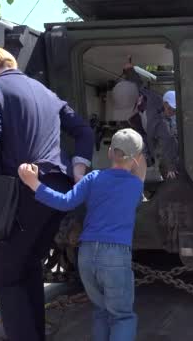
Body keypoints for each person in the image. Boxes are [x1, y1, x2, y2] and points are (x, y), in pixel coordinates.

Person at [0, 45, 94, 341]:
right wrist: (79, 166)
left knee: (3, 277)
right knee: (27, 268)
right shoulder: (47, 93)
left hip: (22, 192)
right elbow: (83, 132)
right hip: (57, 193)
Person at [18, 128, 146, 341]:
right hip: (115, 256)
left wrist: (34, 183)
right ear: (137, 159)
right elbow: (139, 171)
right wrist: (139, 160)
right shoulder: (135, 185)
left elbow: (64, 201)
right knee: (121, 316)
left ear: (110, 153)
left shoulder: (93, 178)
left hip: (86, 254)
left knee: (100, 312)